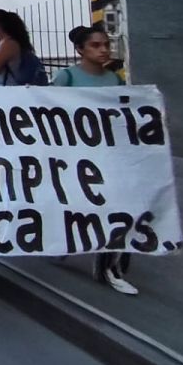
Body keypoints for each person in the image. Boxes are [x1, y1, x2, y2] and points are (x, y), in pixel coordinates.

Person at [52, 25, 136, 295]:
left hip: (109, 155)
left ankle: (109, 265)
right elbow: (48, 112)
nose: (103, 50)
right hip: (76, 156)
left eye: (106, 45)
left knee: (114, 206)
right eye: (95, 45)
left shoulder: (114, 80)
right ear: (80, 50)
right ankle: (67, 239)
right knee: (79, 205)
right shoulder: (66, 77)